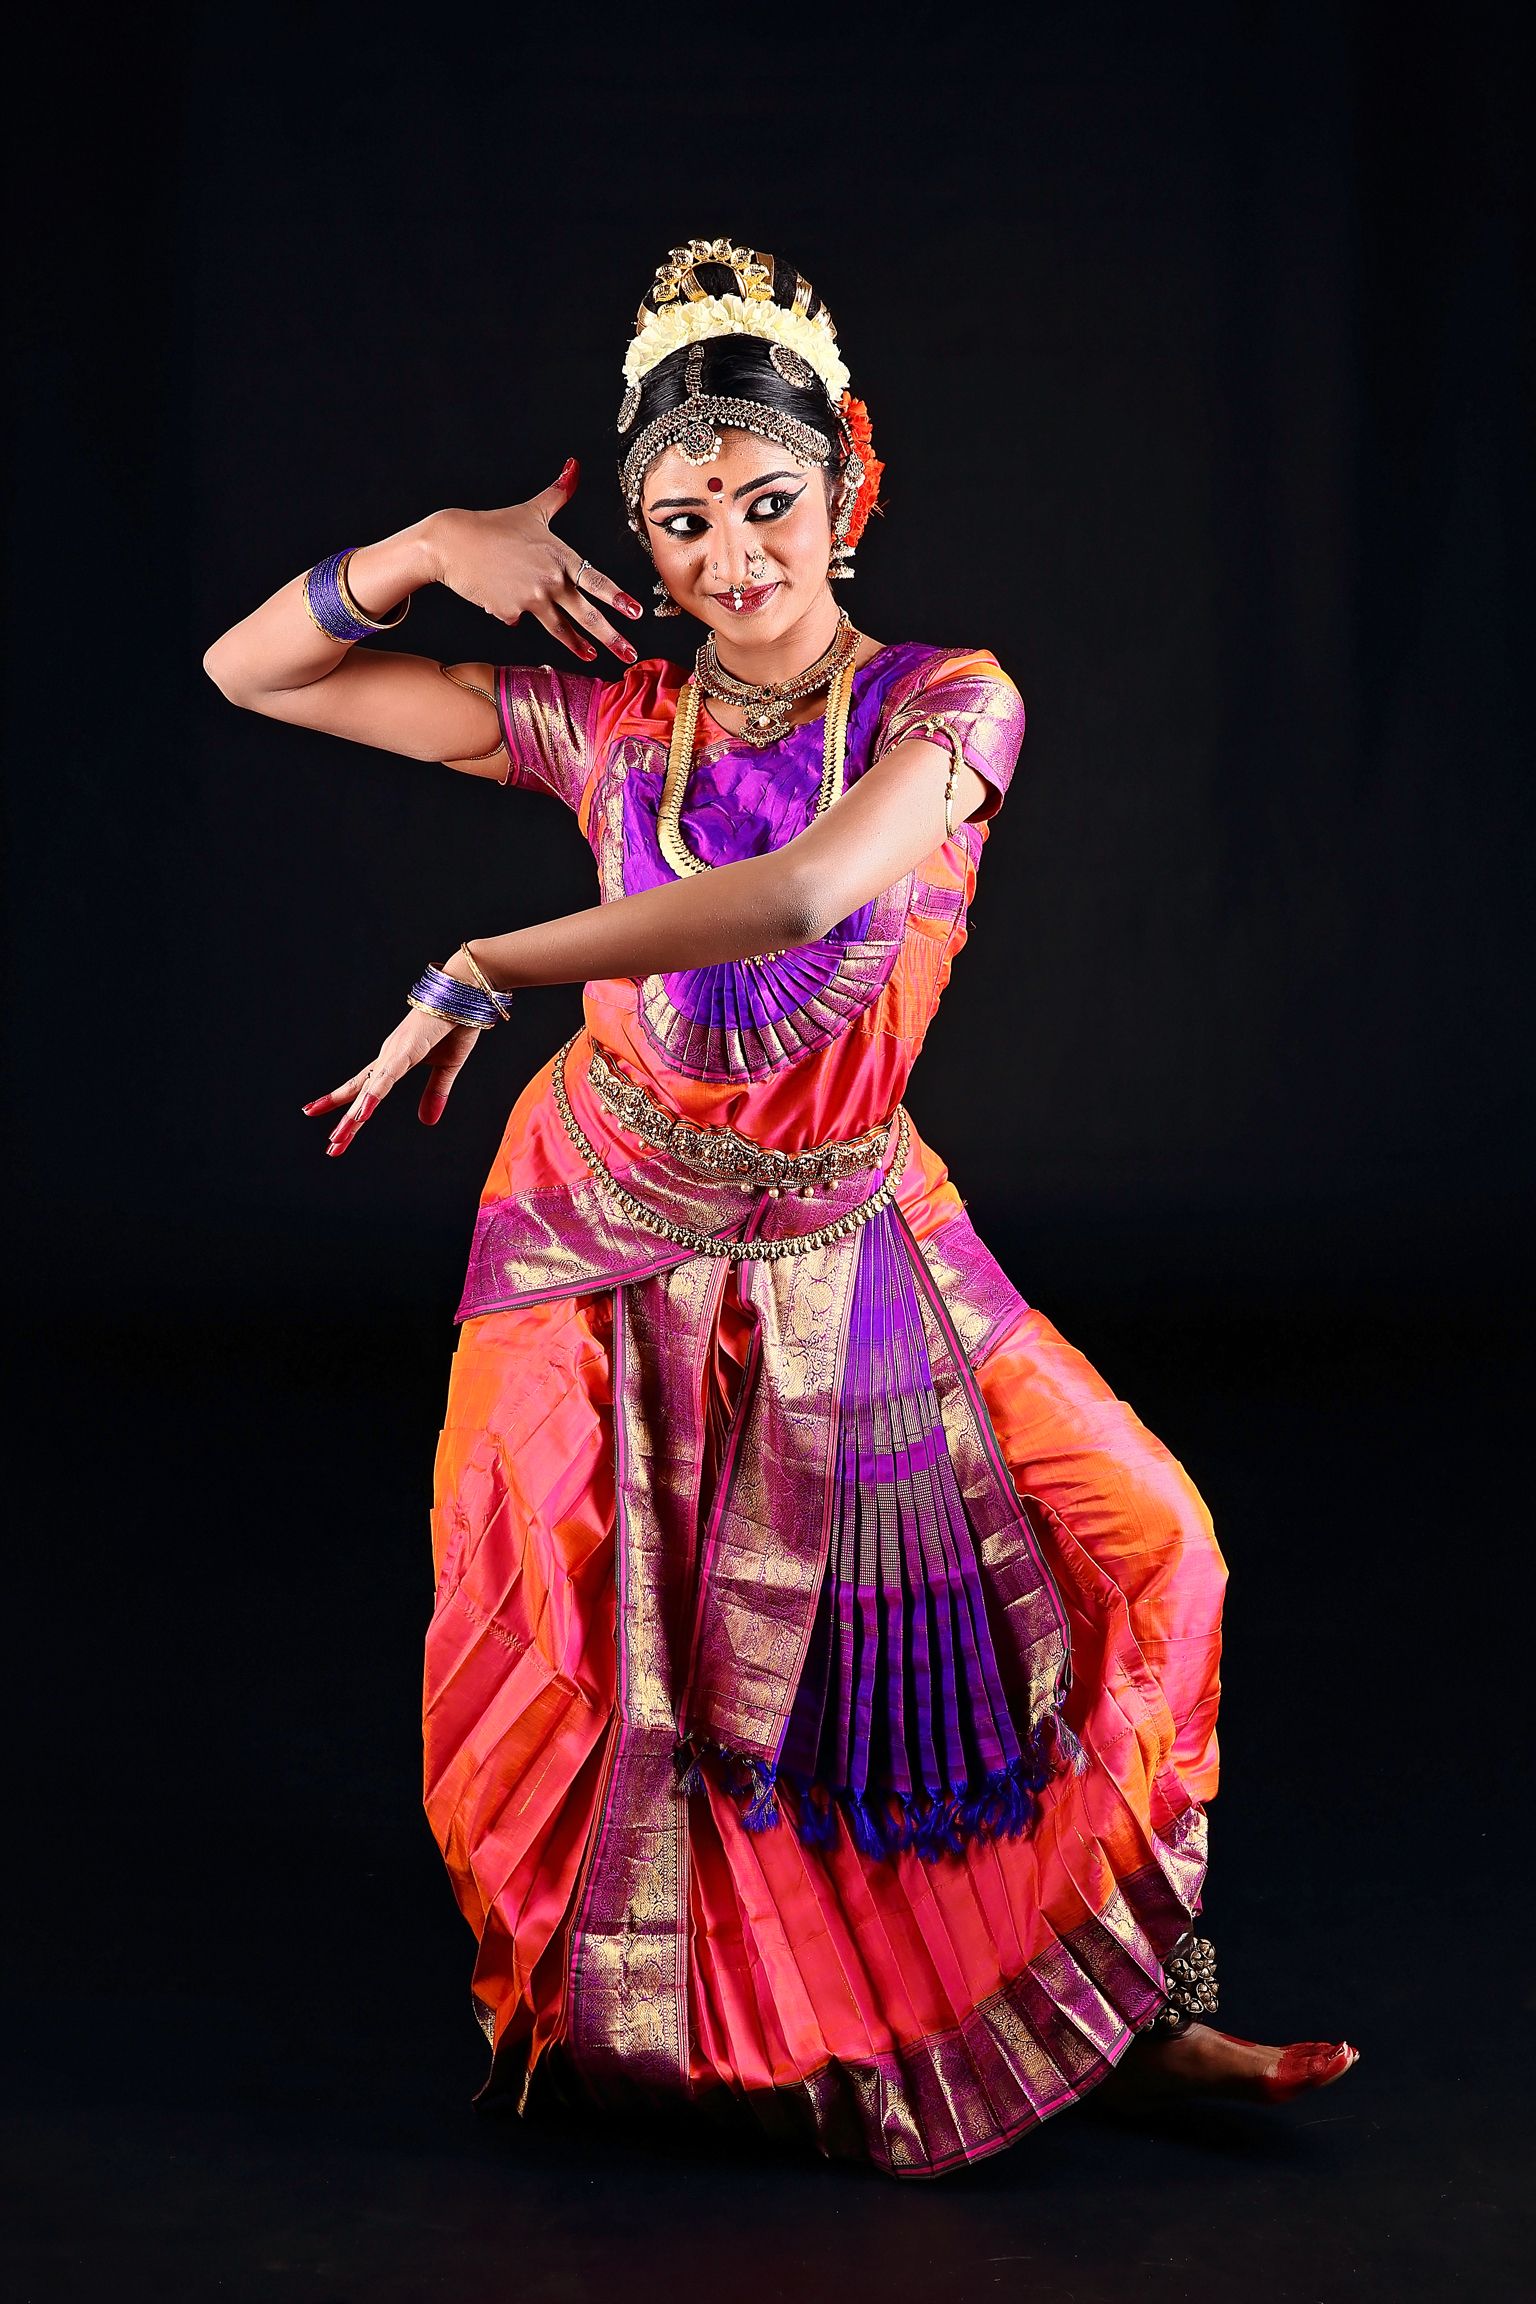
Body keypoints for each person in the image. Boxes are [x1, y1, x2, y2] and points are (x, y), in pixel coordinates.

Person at [203, 238, 1357, 2177]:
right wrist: (424, 548)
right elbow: (254, 672)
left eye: (765, 502)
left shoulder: (948, 707)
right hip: (601, 1232)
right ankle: (651, 2024)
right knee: (587, 1651)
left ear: (850, 486)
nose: (734, 555)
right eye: (683, 523)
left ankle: (1119, 2000)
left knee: (1152, 1546)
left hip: (848, 1230)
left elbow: (814, 894)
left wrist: (493, 957)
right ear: (645, 551)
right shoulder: (618, 728)